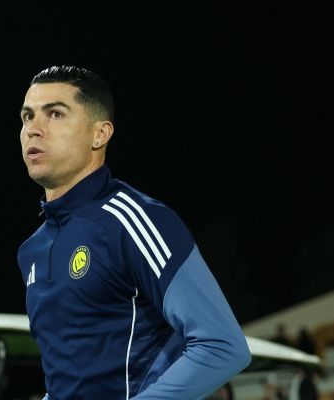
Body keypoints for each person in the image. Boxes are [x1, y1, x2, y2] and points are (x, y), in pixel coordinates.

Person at [16, 65, 252, 399]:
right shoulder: (32, 251)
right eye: (27, 116)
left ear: (100, 134)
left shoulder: (136, 220)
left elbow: (222, 346)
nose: (33, 129)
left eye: (55, 114)